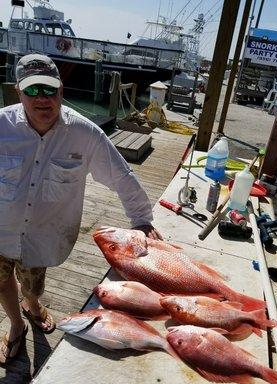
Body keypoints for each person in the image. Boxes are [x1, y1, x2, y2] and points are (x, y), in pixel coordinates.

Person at [0, 53, 161, 365]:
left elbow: (121, 176)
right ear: (18, 91)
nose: (42, 98)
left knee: (32, 284)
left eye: (49, 89)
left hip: (42, 235)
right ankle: (17, 324)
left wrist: (142, 220)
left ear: (61, 90)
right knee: (1, 281)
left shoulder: (85, 134)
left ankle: (32, 306)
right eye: (32, 90)